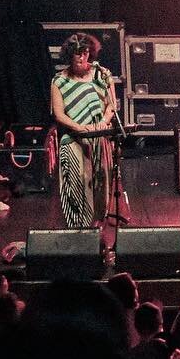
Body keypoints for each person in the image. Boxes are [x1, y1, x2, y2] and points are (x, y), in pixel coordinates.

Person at [50, 32, 119, 229]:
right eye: (78, 54)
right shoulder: (59, 81)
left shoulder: (101, 74)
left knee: (102, 183)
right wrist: (81, 128)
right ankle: (78, 229)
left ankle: (98, 226)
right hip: (74, 138)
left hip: (99, 137)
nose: (82, 58)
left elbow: (111, 105)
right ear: (69, 55)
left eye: (86, 53)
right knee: (78, 181)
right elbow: (59, 114)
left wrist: (104, 122)